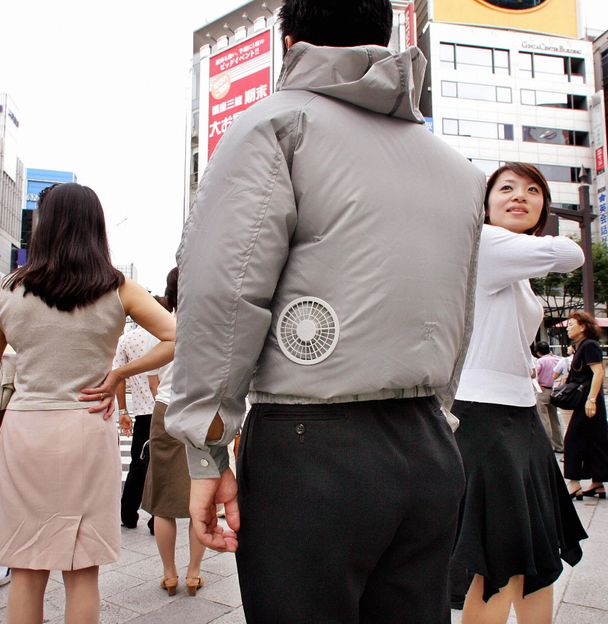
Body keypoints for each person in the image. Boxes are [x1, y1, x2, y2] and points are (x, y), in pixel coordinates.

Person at [165, 1, 486, 621]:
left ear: (292, 41)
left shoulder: (276, 125)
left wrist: (207, 451)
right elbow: (457, 313)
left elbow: (224, 297)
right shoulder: (458, 169)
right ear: (385, 35)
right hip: (428, 447)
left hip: (311, 447)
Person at [0, 183, 176, 624]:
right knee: (81, 569)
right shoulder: (117, 287)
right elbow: (175, 337)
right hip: (88, 426)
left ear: (45, 225)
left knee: (28, 569)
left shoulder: (8, 292)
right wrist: (117, 375)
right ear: (96, 226)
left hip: (27, 431)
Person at [452, 163, 587, 624]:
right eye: (506, 188)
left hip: (518, 412)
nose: (521, 197)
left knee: (534, 556)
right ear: (485, 204)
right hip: (485, 415)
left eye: (533, 190)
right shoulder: (486, 244)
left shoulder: (516, 267)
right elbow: (572, 255)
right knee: (501, 563)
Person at [142, 268, 206, 597]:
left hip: (166, 408)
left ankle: (169, 574)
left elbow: (153, 377)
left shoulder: (163, 325)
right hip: (204, 411)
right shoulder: (213, 323)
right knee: (201, 495)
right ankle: (194, 573)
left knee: (163, 502)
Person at [115, 324, 158, 531]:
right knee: (163, 466)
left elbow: (119, 377)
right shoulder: (170, 333)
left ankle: (128, 513)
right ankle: (157, 519)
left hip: (143, 412)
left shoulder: (128, 339)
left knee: (138, 464)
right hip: (167, 409)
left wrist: (123, 410)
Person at [564, 311, 608, 500]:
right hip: (591, 400)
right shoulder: (582, 346)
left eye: (572, 324)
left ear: (583, 326)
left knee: (572, 439)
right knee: (595, 440)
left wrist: (591, 400)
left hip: (589, 400)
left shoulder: (589, 345)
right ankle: (597, 483)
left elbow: (598, 372)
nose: (568, 328)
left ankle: (574, 483)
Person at [534, 341, 564, 452]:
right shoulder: (558, 359)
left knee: (544, 420)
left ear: (538, 352)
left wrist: (537, 388)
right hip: (555, 391)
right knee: (554, 420)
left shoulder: (540, 361)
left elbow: (534, 376)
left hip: (543, 390)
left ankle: (547, 447)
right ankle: (559, 445)